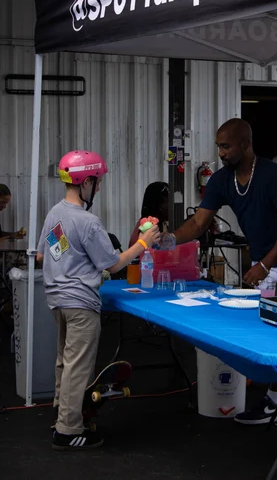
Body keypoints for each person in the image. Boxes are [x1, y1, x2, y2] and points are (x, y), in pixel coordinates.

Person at [161, 118, 277, 423]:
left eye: (226, 146)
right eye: (219, 146)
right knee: (267, 330)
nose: (221, 153)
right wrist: (169, 239)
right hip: (263, 263)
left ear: (246, 145)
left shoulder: (273, 175)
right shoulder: (222, 180)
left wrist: (265, 264)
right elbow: (199, 223)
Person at [36, 150, 160, 451]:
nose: (100, 187)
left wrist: (73, 262)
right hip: (80, 303)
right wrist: (143, 243)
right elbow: (113, 265)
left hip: (57, 300)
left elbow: (43, 255)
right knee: (78, 365)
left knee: (66, 361)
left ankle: (62, 412)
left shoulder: (56, 213)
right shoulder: (88, 221)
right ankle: (68, 431)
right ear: (86, 182)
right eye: (98, 181)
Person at [129, 181, 169, 247]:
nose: (172, 206)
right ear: (158, 205)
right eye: (168, 202)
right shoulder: (148, 227)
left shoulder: (162, 224)